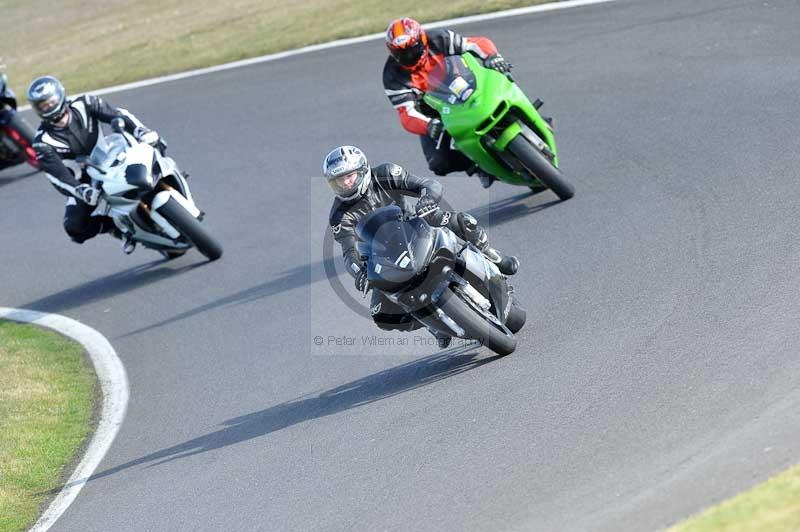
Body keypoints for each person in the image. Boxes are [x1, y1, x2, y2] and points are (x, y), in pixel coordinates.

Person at [325, 145, 519, 345]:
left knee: (460, 221)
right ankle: (431, 324)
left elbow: (427, 184)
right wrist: (359, 273)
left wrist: (427, 199)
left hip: (414, 223)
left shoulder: (386, 173)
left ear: (363, 170)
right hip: (383, 253)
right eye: (339, 181)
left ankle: (490, 254)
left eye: (350, 176)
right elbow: (349, 253)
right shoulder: (339, 216)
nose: (346, 184)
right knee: (381, 314)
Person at [27, 75, 162, 254]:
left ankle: (165, 176)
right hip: (85, 181)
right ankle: (117, 228)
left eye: (50, 102)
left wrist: (140, 130)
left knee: (153, 142)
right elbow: (57, 176)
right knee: (74, 227)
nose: (48, 107)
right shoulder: (42, 142)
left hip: (111, 154)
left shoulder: (85, 103)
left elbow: (117, 114)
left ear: (60, 96)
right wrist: (80, 190)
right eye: (42, 106)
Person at [382, 17, 512, 189]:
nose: (410, 57)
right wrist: (429, 126)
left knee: (501, 74)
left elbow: (475, 43)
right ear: (393, 53)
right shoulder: (393, 77)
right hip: (437, 114)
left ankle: (525, 114)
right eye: (402, 54)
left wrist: (493, 56)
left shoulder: (439, 39)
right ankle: (478, 166)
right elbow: (406, 114)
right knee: (438, 163)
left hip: (467, 84)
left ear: (422, 40)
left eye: (413, 50)